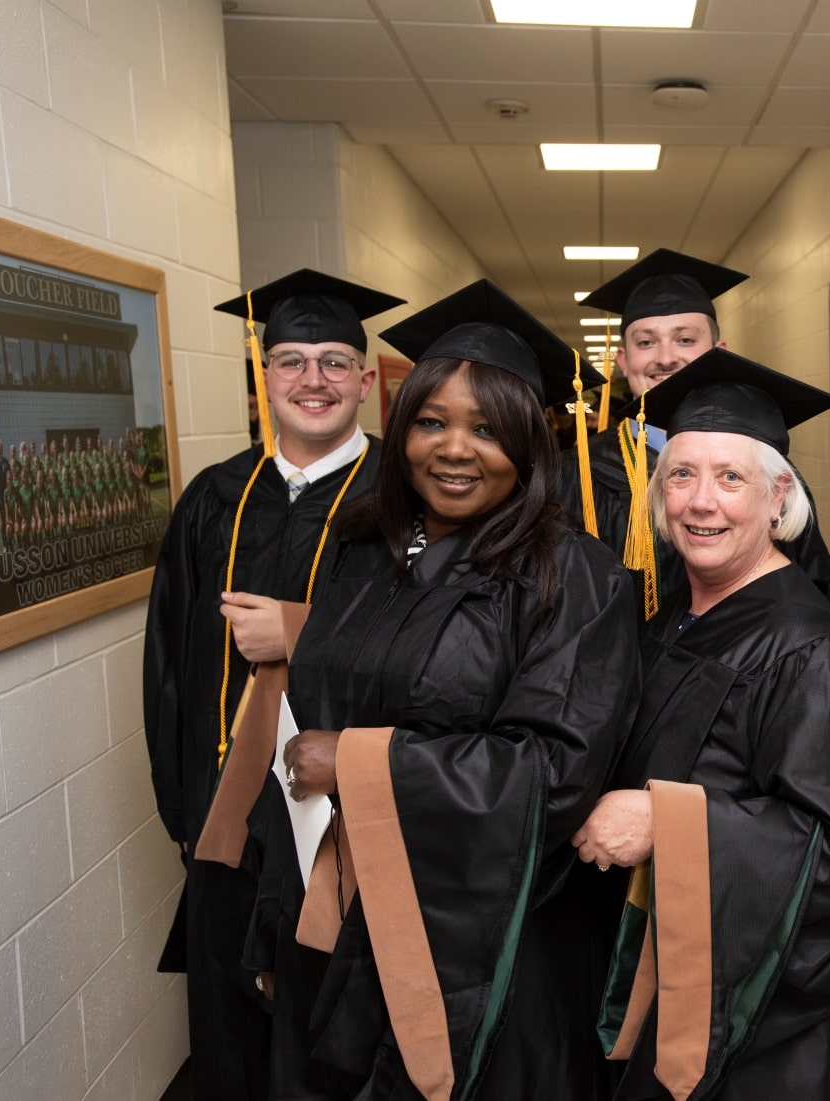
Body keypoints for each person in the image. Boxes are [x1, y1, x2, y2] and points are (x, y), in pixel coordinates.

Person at [247, 279, 640, 1101]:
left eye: (487, 428)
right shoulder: (365, 551)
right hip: (340, 910)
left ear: (531, 445)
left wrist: (357, 764)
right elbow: (312, 718)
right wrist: (275, 915)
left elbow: (551, 772)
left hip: (481, 942)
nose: (454, 448)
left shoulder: (575, 576)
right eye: (431, 421)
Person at [573, 348, 830, 1100]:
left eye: (731, 478)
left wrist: (671, 823)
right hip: (666, 974)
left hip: (758, 1026)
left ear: (778, 496)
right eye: (682, 475)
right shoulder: (671, 620)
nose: (701, 502)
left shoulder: (810, 651)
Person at [141, 269, 405, 1100]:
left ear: (366, 380)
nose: (313, 380)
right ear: (265, 379)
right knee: (228, 1041)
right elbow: (167, 667)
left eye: (334, 361)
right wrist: (184, 810)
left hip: (343, 829)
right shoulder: (213, 500)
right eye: (291, 360)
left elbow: (433, 660)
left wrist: (301, 628)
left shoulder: (407, 501)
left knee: (328, 1042)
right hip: (225, 823)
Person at [558, 248, 830, 617]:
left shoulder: (766, 467)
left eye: (686, 339)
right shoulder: (578, 471)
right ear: (623, 361)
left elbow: (809, 588)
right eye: (646, 342)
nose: (666, 357)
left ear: (717, 351)